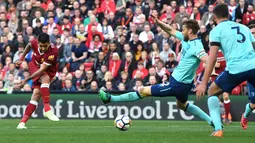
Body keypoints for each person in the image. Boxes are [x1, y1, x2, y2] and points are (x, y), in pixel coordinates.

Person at [99, 16, 213, 129]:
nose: (181, 31)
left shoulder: (197, 46)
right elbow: (170, 30)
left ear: (190, 31)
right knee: (182, 105)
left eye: (183, 29)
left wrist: (204, 81)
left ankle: (110, 99)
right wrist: (158, 22)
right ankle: (212, 122)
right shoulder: (186, 38)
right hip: (183, 84)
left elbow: (208, 61)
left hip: (177, 84)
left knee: (143, 90)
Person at [196, 4, 255, 137]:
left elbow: (212, 58)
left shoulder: (216, 31)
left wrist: (204, 83)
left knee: (212, 91)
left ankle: (218, 129)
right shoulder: (244, 27)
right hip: (253, 66)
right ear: (228, 15)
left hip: (236, 68)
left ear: (214, 17)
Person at [16, 33, 59, 129]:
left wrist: (26, 79)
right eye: (41, 46)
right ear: (38, 43)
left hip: (48, 70)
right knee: (45, 78)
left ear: (49, 43)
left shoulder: (53, 51)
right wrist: (21, 58)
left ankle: (22, 123)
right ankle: (47, 109)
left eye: (45, 46)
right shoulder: (34, 42)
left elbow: (42, 70)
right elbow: (28, 46)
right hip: (34, 65)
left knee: (36, 94)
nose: (43, 48)